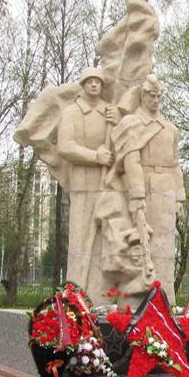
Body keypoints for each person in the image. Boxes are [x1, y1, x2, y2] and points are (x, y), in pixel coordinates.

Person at [109, 75, 187, 302]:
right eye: (150, 95)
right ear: (142, 96)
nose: (155, 100)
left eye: (158, 96)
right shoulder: (132, 123)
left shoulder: (170, 128)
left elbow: (175, 164)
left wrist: (180, 198)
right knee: (143, 246)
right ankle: (139, 300)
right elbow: (130, 161)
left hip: (167, 188)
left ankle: (166, 298)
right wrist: (137, 195)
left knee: (165, 247)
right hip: (145, 185)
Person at [56, 67, 118, 295]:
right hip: (82, 183)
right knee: (80, 237)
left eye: (98, 81)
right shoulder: (72, 112)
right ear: (82, 84)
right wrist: (95, 157)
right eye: (90, 81)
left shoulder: (109, 113)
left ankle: (101, 294)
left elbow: (124, 147)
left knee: (104, 241)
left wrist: (118, 122)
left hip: (107, 185)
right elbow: (65, 146)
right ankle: (76, 292)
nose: (94, 85)